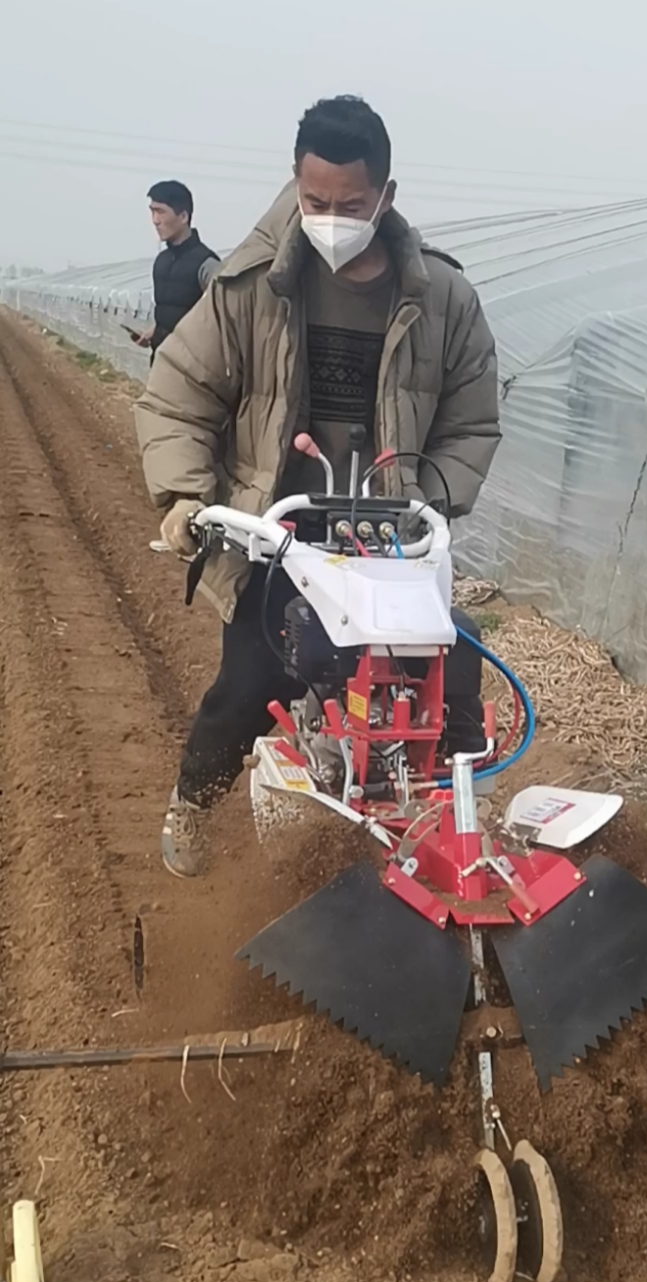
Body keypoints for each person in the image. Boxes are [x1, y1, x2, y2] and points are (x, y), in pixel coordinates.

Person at [135, 96, 501, 879]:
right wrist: (185, 500)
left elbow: (473, 423)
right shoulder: (249, 289)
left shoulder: (444, 300)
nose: (332, 219)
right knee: (251, 679)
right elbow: (176, 397)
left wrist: (425, 503)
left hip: (386, 541)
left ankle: (455, 827)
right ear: (296, 187)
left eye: (352, 205)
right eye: (316, 202)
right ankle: (194, 801)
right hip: (283, 532)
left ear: (387, 198)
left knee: (449, 671)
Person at [133, 182, 219, 357]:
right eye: (152, 211)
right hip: (160, 362)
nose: (155, 220)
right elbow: (173, 312)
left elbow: (221, 321)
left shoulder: (207, 264)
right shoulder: (161, 262)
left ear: (183, 217)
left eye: (161, 212)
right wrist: (156, 330)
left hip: (191, 370)